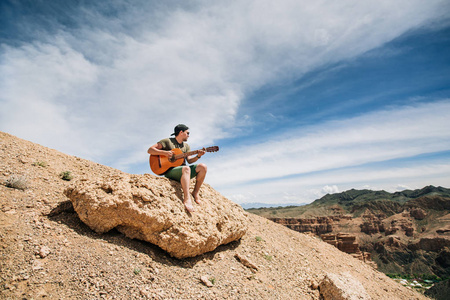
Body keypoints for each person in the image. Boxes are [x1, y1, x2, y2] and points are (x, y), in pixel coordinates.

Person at [147, 124, 207, 212]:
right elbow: (150, 150)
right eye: (187, 133)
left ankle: (195, 192)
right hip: (170, 171)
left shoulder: (186, 146)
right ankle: (187, 198)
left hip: (183, 172)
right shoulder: (167, 141)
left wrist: (198, 156)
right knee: (186, 168)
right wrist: (165, 153)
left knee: (203, 167)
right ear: (181, 132)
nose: (189, 135)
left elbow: (189, 161)